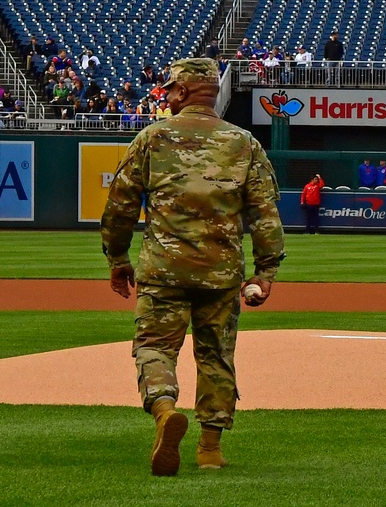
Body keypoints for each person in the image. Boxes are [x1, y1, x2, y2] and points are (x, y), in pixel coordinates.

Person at [100, 58, 285, 477]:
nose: (166, 96)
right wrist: (265, 271)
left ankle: (165, 411)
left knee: (154, 347)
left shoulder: (152, 138)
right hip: (220, 273)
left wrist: (117, 259)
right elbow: (265, 214)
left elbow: (120, 207)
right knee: (216, 355)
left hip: (163, 269)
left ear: (182, 93)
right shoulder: (243, 143)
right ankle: (209, 449)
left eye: (169, 90)